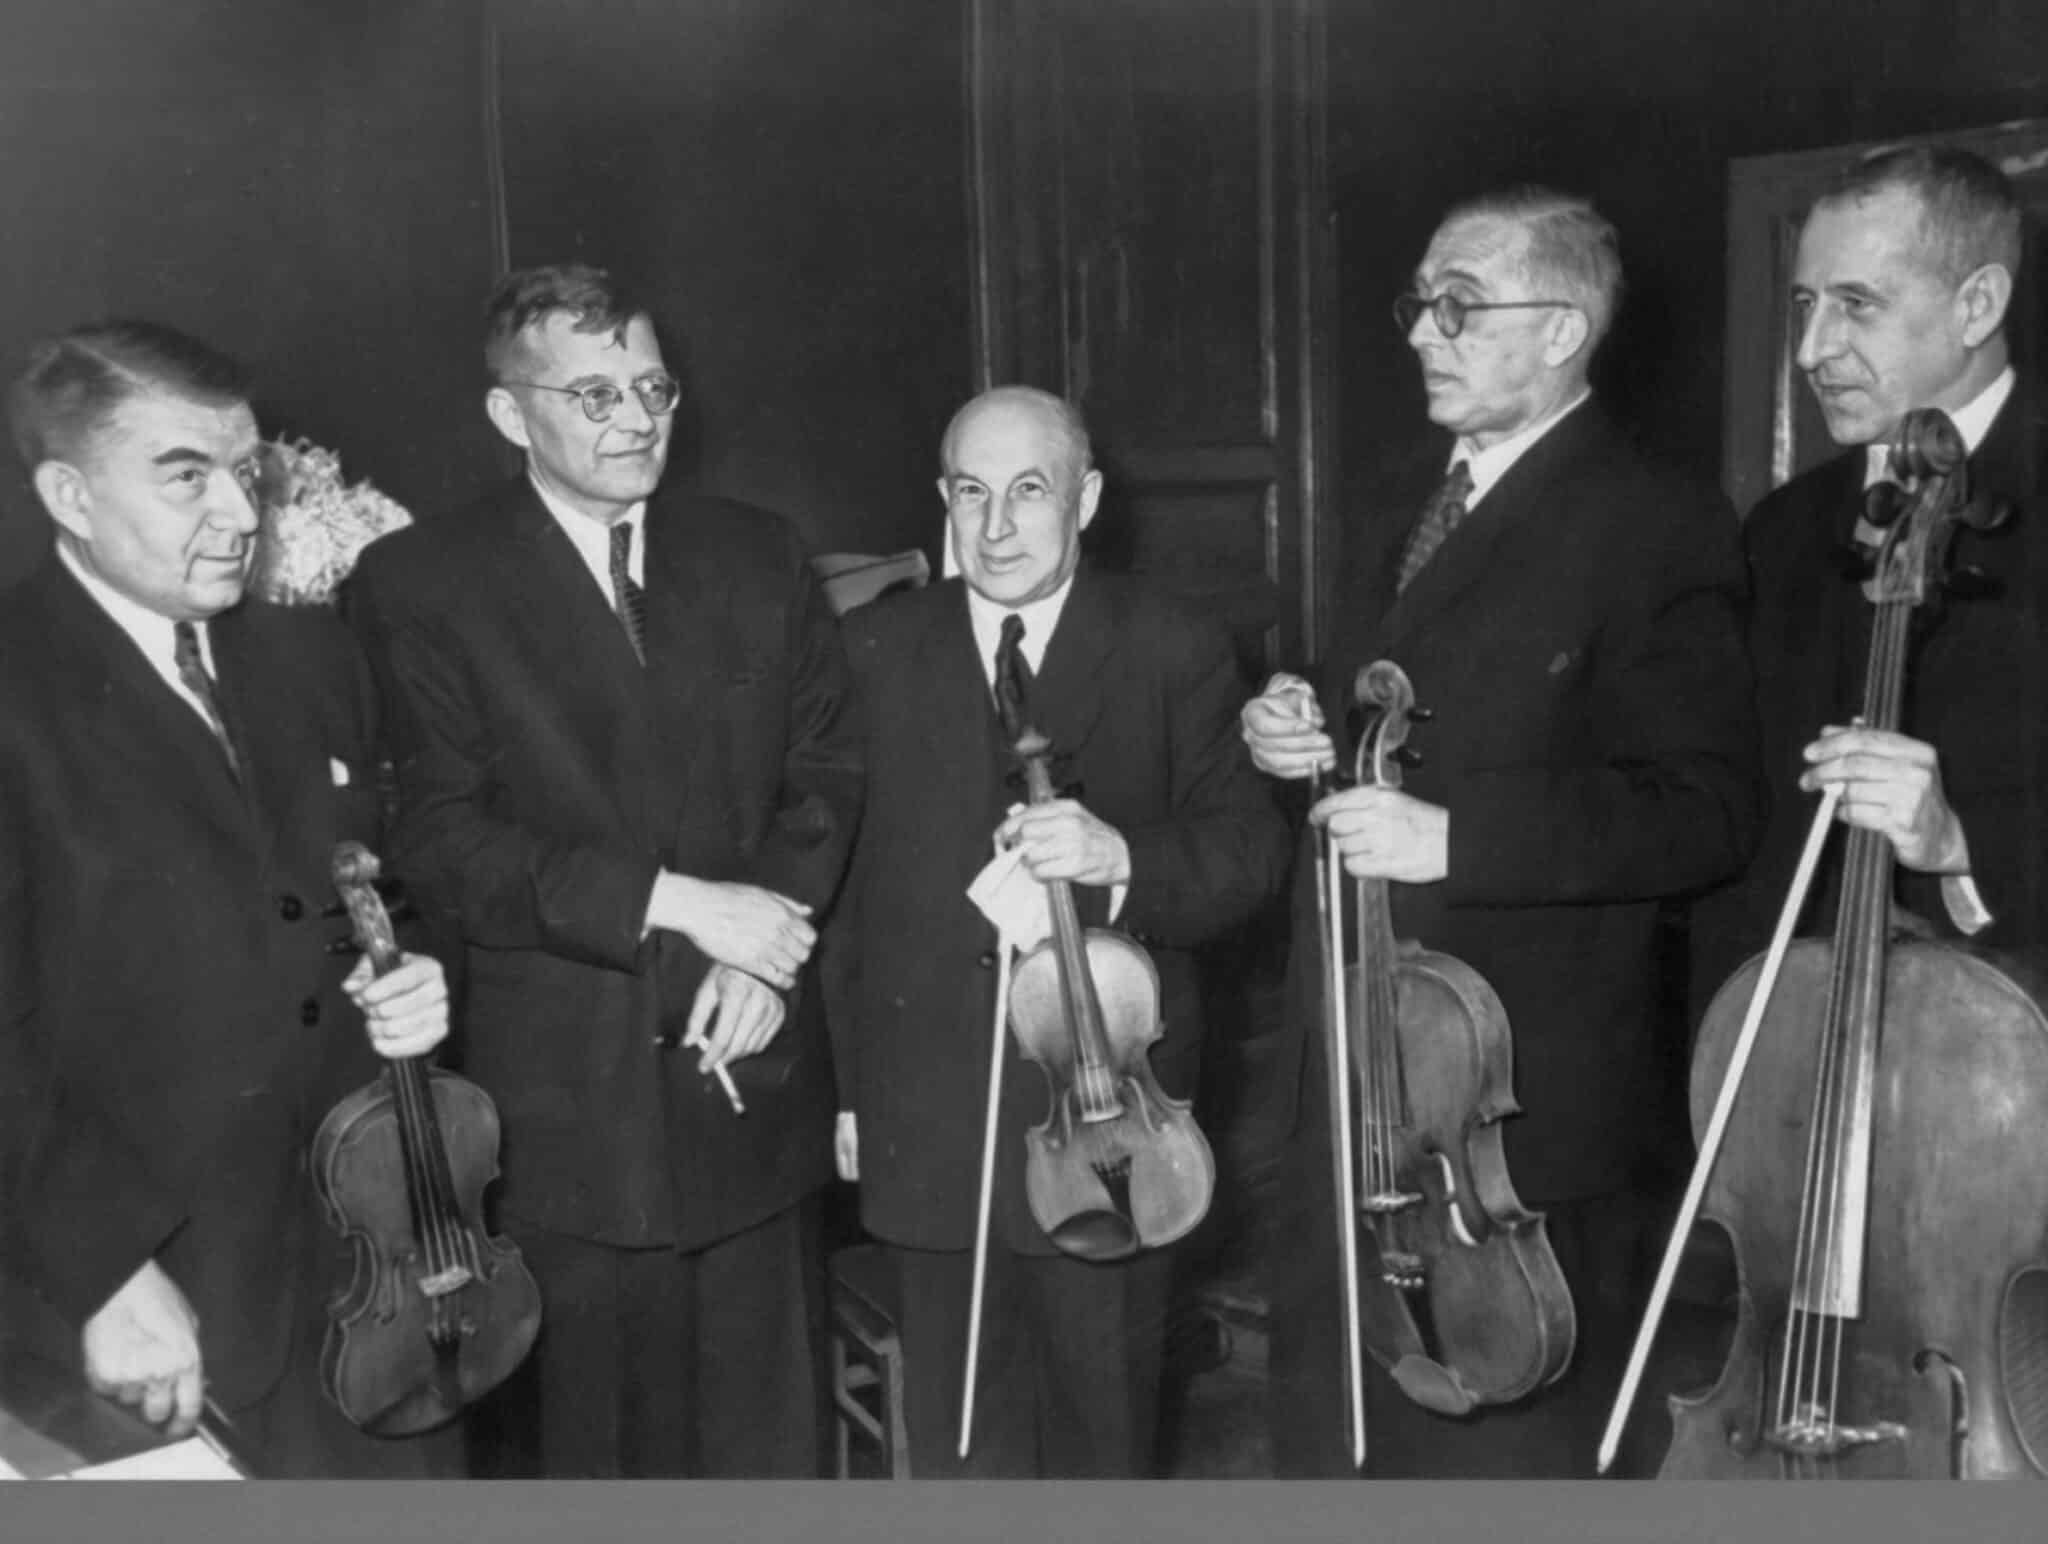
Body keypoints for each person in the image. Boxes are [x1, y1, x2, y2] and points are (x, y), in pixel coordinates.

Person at [1248, 188, 1764, 1477]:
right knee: (1338, 1441)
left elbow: (1703, 807)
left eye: (1459, 306)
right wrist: (1293, 740)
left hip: (1515, 1126)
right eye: (1418, 303)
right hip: (1358, 1084)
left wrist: (1456, 837)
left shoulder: (1656, 520)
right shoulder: (1395, 505)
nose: (1422, 331)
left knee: (1508, 1464)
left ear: (1561, 331)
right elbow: (1376, 737)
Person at [347, 264, 863, 1478]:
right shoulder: (422, 581)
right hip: (566, 1123)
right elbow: (445, 839)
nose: (634, 419)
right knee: (593, 1457)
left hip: (752, 1075)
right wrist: (685, 908)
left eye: (651, 385)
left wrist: (773, 939)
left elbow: (828, 770)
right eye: (591, 393)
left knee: (767, 1452)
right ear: (506, 412)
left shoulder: (758, 551)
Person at [0, 321, 457, 1477]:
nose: (242, 512)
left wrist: (415, 969)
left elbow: (384, 883)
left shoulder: (310, 659)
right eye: (184, 475)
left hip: (378, 1272)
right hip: (152, 1298)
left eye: (246, 470)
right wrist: (103, 1267)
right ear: (68, 492)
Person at [822, 385, 1290, 1477]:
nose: (994, 528)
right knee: (959, 1442)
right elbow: (837, 887)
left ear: (1081, 498)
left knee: (1101, 1434)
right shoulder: (871, 649)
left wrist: (1125, 857)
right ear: (942, 499)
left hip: (1111, 1121)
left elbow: (1247, 854)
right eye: (969, 493)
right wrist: (847, 1087)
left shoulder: (1172, 641)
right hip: (927, 1111)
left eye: (1026, 492)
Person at [1690, 144, 2048, 1016]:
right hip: (1794, 1048)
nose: (1812, 349)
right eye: (1806, 304)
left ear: (1978, 304)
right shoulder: (1782, 527)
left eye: (1857, 305)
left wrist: (1963, 841)